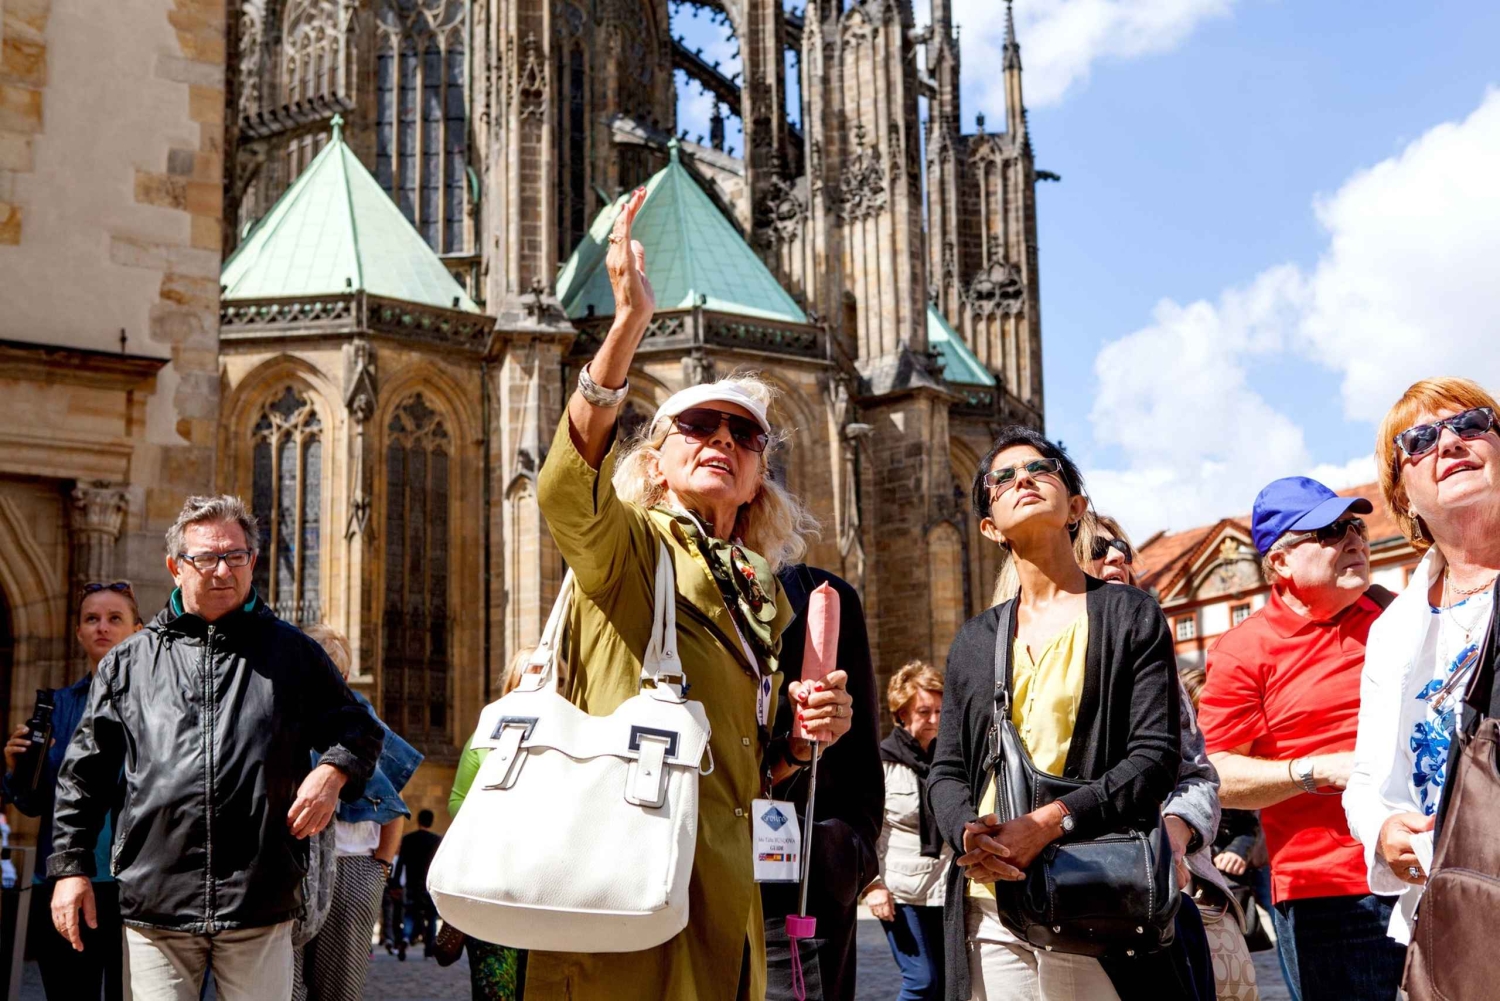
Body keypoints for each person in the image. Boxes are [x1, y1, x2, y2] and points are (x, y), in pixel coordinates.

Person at [529, 186, 853, 1000]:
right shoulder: (630, 545)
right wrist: (627, 327)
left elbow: (753, 763)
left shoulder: (764, 594)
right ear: (655, 457)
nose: (722, 441)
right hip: (622, 869)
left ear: (757, 479)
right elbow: (566, 490)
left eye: (744, 435)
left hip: (722, 886)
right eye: (698, 427)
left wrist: (803, 740)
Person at [46, 495, 385, 1001]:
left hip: (259, 900)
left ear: (253, 561)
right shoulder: (130, 663)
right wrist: (70, 869)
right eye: (206, 557)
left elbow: (358, 726)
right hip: (156, 903)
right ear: (175, 567)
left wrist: (333, 771)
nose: (222, 569)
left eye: (237, 555)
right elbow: (84, 775)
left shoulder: (293, 654)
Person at [928, 425, 1182, 1001]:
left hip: (1093, 887)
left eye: (1042, 469)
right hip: (993, 902)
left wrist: (1047, 824)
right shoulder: (975, 640)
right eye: (1004, 477)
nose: (1024, 479)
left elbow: (1155, 758)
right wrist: (970, 833)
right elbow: (946, 770)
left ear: (1076, 507)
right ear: (989, 525)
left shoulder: (1129, 614)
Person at [1197, 476, 1404, 1000]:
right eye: (1329, 532)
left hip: (1433, 870)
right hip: (1333, 894)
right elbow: (1215, 773)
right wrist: (1313, 771)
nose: (1353, 539)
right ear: (1281, 562)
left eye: (1354, 526)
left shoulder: (1395, 616)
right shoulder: (1244, 650)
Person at [1345, 378, 1500, 945]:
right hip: (1451, 922)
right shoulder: (1394, 628)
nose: (1451, 443)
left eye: (1473, 425)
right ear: (1403, 493)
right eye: (1421, 439)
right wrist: (1382, 829)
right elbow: (1365, 776)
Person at [3, 580, 143, 1000]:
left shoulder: (160, 704)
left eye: (114, 618)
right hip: (65, 882)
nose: (102, 627)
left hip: (134, 888)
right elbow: (31, 806)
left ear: (138, 630)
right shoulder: (59, 706)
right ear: (79, 632)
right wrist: (16, 771)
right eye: (91, 619)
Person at [761, 564, 884, 1001]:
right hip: (683, 872)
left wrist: (846, 851)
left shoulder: (817, 591)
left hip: (798, 883)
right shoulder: (654, 572)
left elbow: (862, 758)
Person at [294, 625, 421, 1001]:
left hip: (352, 868)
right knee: (280, 988)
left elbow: (394, 801)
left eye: (328, 672)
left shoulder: (364, 725)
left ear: (345, 678)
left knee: (338, 992)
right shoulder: (280, 716)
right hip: (292, 866)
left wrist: (378, 869)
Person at [449, 649, 537, 1001]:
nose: (542, 684)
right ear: (513, 683)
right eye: (531, 675)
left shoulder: (573, 738)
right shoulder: (487, 735)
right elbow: (457, 801)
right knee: (494, 992)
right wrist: (494, 816)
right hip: (492, 884)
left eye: (551, 677)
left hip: (547, 890)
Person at [865, 661, 950, 1001]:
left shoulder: (951, 760)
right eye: (924, 711)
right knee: (921, 981)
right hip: (901, 893)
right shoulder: (880, 762)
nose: (934, 720)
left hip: (947, 889)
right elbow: (867, 828)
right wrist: (872, 885)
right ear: (901, 713)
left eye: (940, 711)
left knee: (946, 984)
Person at [395, 810, 442, 956]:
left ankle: (405, 938)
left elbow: (401, 862)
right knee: (432, 917)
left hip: (412, 884)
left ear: (418, 821)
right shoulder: (436, 840)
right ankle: (429, 947)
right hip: (430, 885)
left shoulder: (408, 839)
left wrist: (396, 882)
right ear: (431, 821)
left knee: (409, 914)